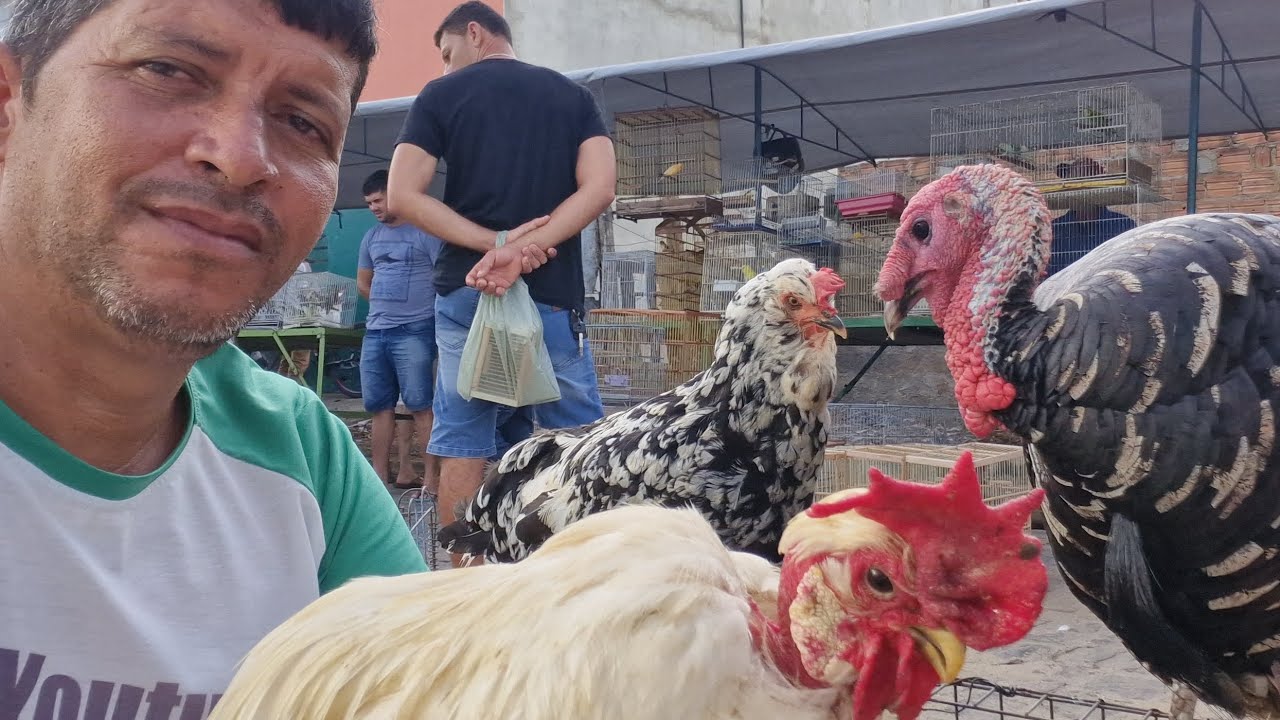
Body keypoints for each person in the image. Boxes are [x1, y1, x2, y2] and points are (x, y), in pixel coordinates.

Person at [0, 0, 429, 710]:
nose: (238, 158)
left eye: (302, 122)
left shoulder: (298, 454)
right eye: (167, 70)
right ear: (9, 106)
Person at [387, 1, 616, 565]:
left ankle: (461, 587)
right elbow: (600, 188)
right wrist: (523, 249)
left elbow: (402, 196)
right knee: (577, 438)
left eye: (447, 54)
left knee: (464, 436)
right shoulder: (574, 97)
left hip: (471, 290)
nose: (445, 69)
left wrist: (495, 245)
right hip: (551, 296)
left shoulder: (440, 97)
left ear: (474, 34)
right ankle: (586, 573)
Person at [356, 169, 444, 491]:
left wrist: (418, 311)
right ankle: (378, 478)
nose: (373, 208)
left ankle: (432, 480)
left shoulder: (426, 232)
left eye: (378, 200)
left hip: (416, 330)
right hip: (376, 332)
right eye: (369, 204)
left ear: (393, 194)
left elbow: (444, 279)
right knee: (379, 407)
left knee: (421, 406)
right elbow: (363, 283)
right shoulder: (371, 238)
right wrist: (385, 304)